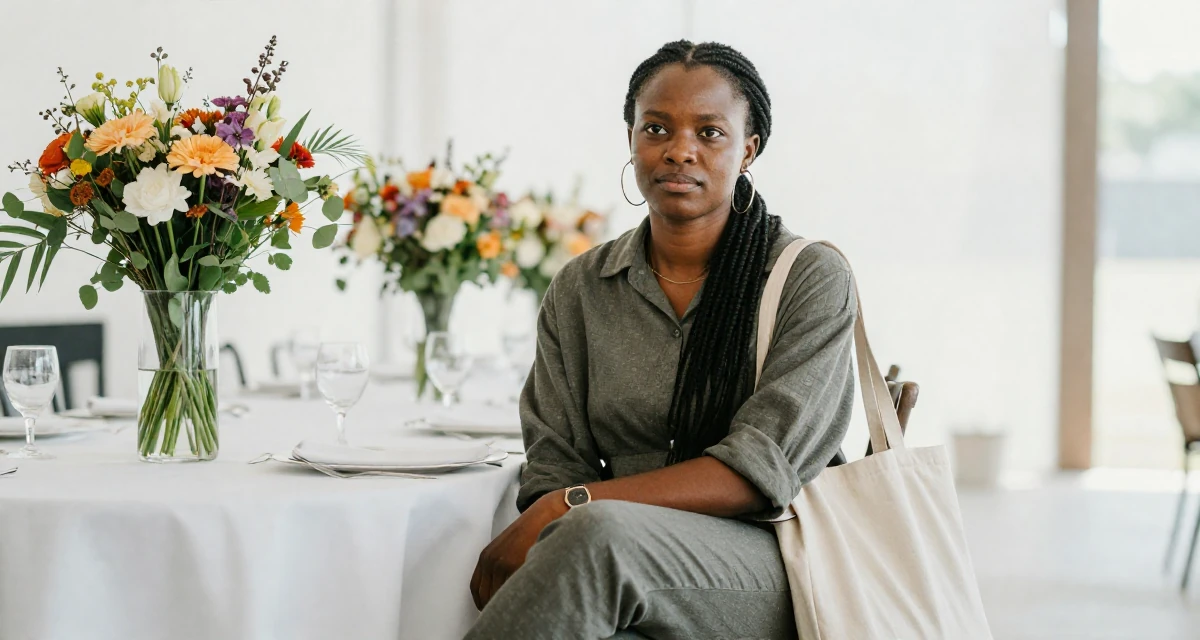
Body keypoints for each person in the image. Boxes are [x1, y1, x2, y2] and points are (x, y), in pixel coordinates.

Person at [467, 40, 857, 639]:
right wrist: (564, 501)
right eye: (657, 128)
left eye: (710, 133)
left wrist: (576, 505)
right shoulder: (581, 288)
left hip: (775, 562)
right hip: (618, 560)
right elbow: (554, 461)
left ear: (748, 150)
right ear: (631, 139)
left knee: (596, 538)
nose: (680, 150)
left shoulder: (808, 276)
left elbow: (757, 472)